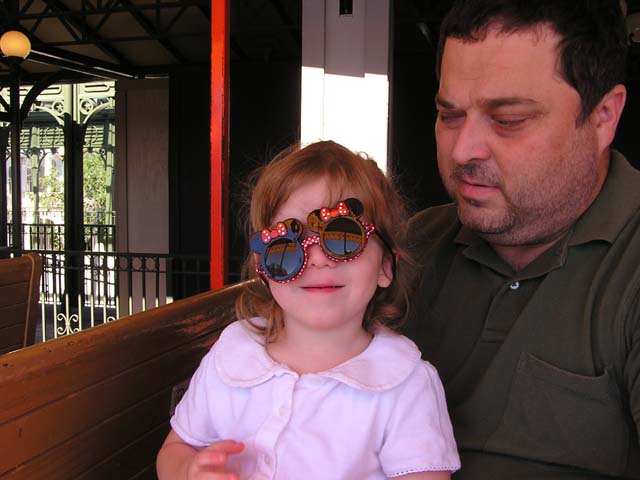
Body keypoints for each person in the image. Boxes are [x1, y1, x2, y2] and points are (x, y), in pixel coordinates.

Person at [402, 0, 640, 478]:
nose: (463, 150)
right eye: (450, 115)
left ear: (603, 116)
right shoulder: (411, 248)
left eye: (508, 119)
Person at [157, 141, 461, 480]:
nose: (317, 259)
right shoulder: (231, 354)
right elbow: (177, 448)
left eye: (343, 237)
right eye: (286, 246)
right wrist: (188, 471)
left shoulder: (406, 384)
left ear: (385, 266)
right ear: (263, 268)